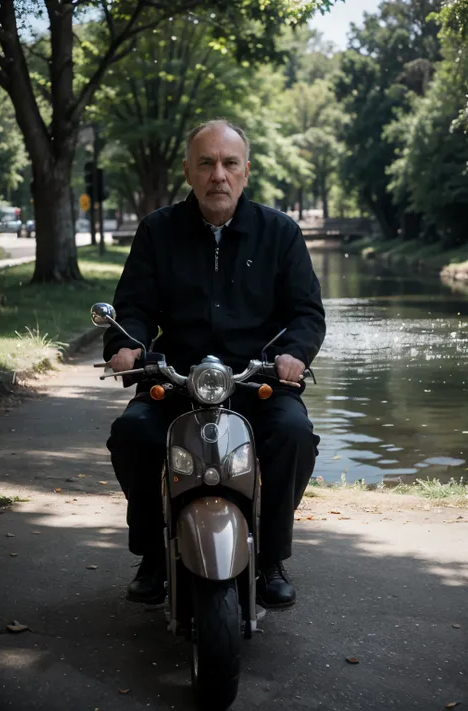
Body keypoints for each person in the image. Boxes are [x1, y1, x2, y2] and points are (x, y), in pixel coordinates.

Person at [103, 119, 326, 609]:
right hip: (176, 379)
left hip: (257, 379)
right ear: (189, 171)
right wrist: (128, 346)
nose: (217, 175)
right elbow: (134, 307)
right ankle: (153, 558)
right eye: (206, 163)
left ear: (246, 171)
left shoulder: (281, 232)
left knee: (292, 434)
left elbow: (306, 313)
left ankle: (269, 558)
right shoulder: (157, 231)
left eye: (228, 164)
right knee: (133, 434)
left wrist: (295, 354)